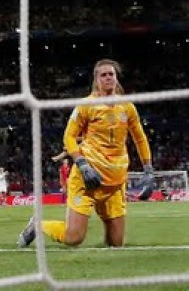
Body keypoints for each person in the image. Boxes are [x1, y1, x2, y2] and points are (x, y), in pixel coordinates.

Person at [18, 59, 153, 248]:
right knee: (74, 238)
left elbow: (140, 138)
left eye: (111, 74)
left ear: (116, 78)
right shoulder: (86, 105)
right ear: (96, 79)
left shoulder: (127, 107)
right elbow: (69, 137)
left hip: (115, 183)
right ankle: (38, 225)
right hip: (88, 179)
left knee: (116, 243)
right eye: (103, 75)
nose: (108, 78)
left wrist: (148, 170)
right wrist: (81, 163)